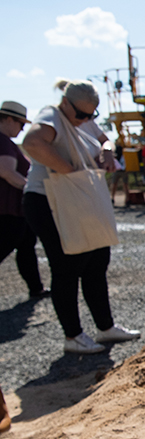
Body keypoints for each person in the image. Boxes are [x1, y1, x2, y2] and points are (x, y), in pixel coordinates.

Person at [22, 79, 140, 354]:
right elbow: (32, 142)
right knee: (66, 266)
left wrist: (108, 149)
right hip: (48, 200)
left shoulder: (81, 119)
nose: (86, 119)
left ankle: (105, 327)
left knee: (97, 261)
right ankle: (73, 336)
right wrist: (71, 173)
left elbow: (103, 138)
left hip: (80, 201)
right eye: (82, 114)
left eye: (91, 115)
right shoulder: (52, 115)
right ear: (66, 103)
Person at [0, 101, 49, 299]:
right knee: (8, 242)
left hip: (15, 208)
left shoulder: (6, 142)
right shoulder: (3, 142)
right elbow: (7, 172)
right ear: (9, 119)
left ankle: (36, 287)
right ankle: (36, 287)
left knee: (27, 244)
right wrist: (32, 188)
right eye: (21, 124)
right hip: (7, 209)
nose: (22, 129)